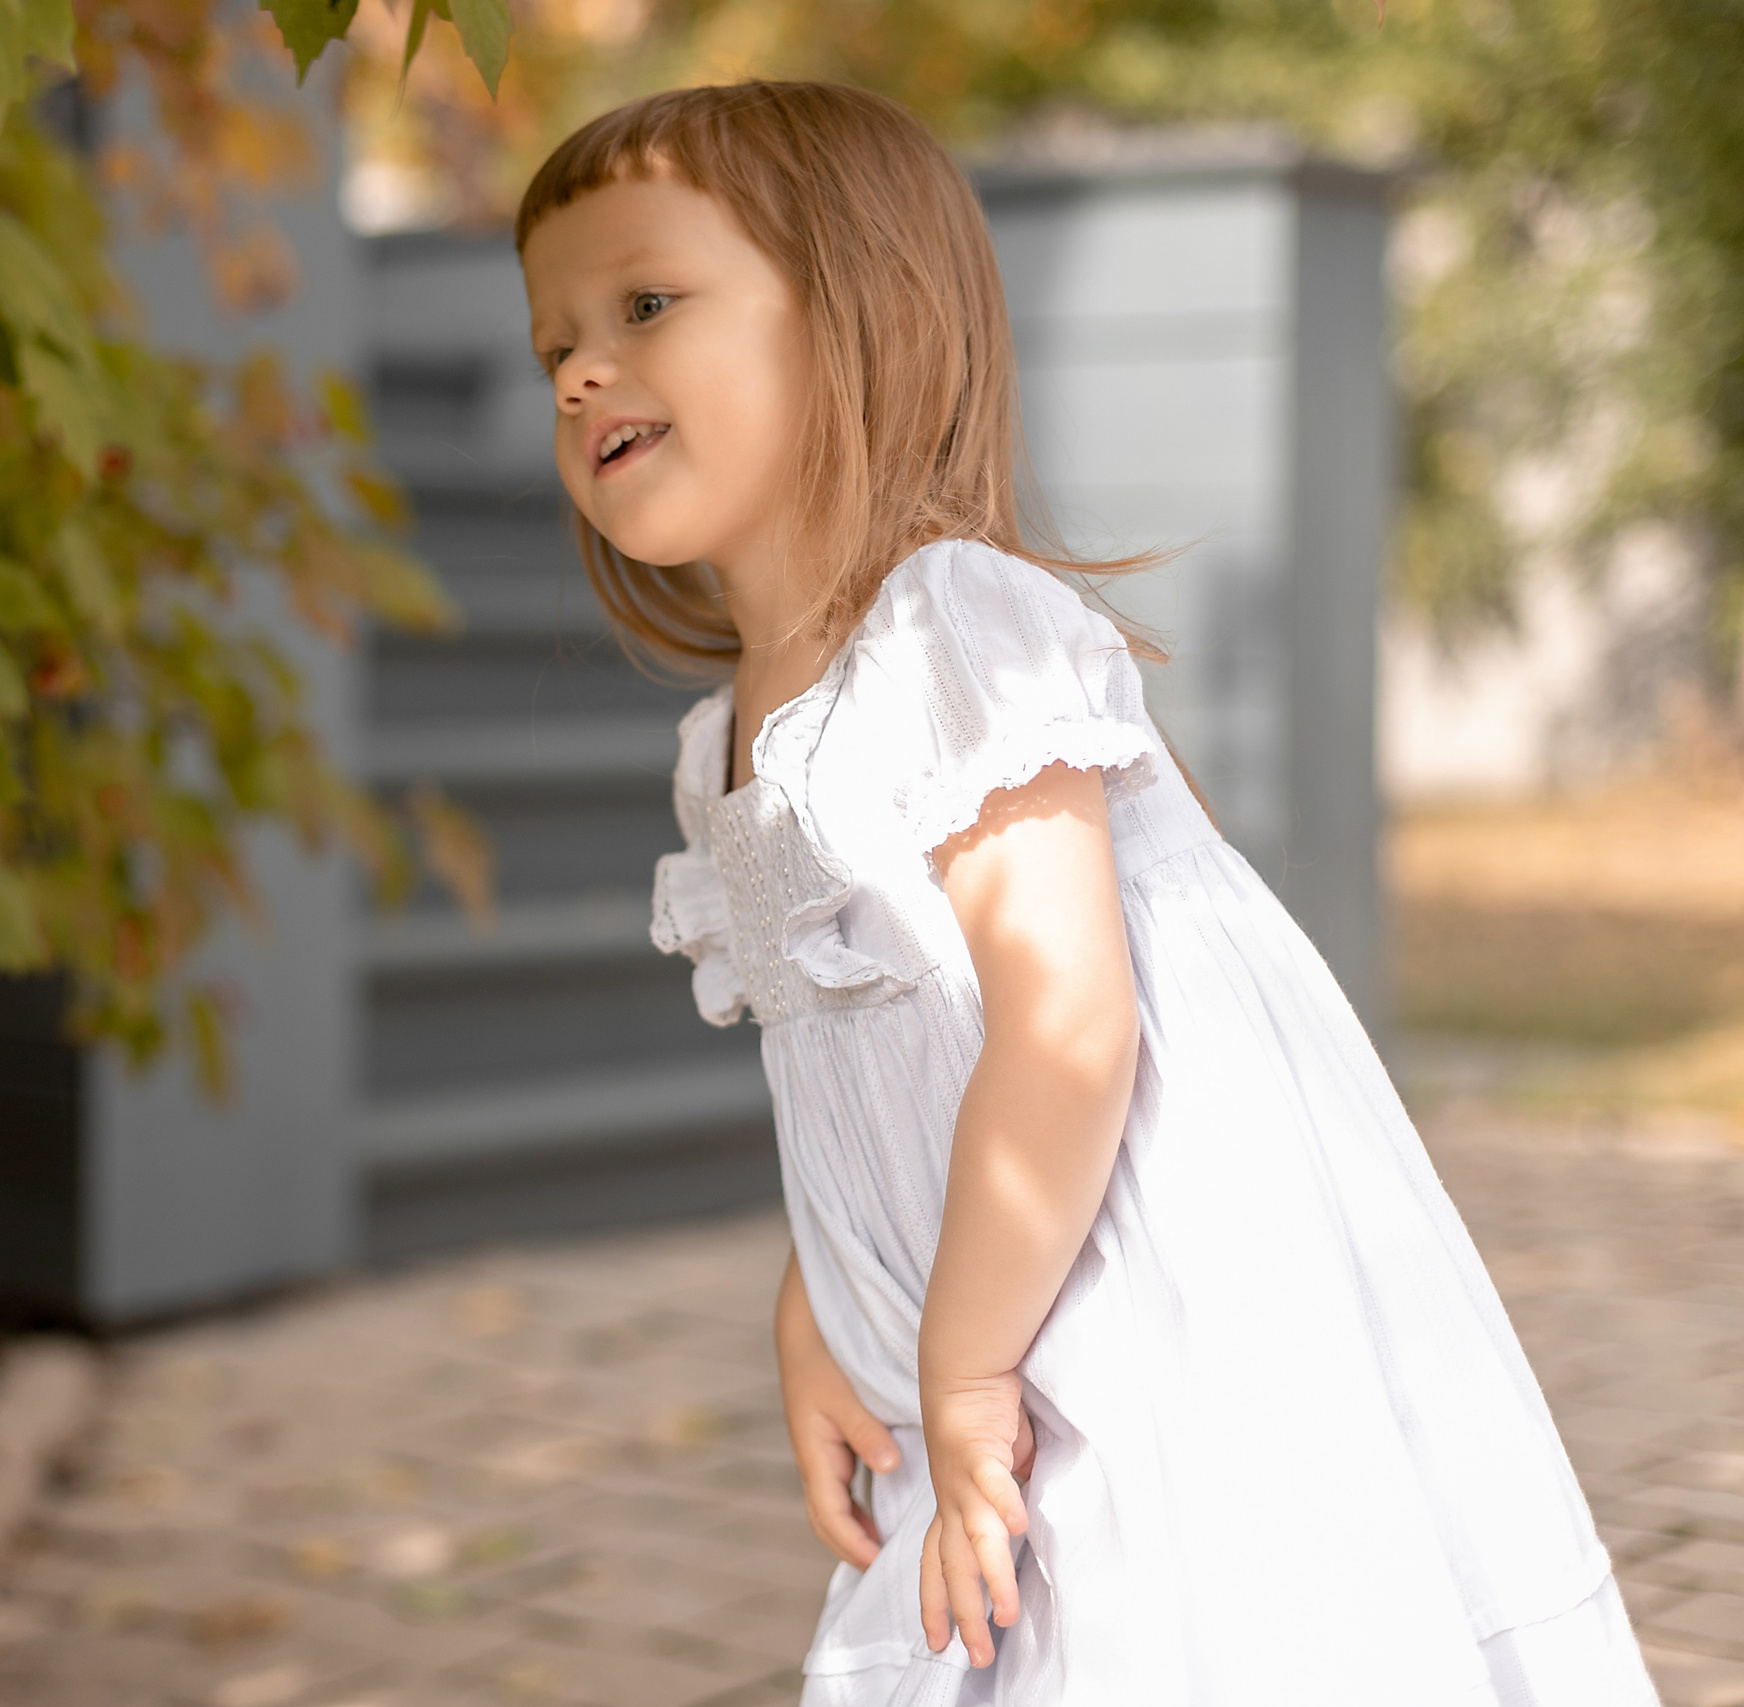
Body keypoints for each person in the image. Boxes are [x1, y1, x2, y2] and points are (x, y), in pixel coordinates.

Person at [514, 80, 1658, 1706]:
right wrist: (820, 1296)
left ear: (858, 318)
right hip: (990, 1284)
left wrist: (966, 1366)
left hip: (1140, 1270)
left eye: (644, 302)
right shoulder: (731, 741)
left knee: (1168, 1632)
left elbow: (1062, 1032)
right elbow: (867, 1059)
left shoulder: (950, 628)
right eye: (552, 335)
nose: (577, 367)